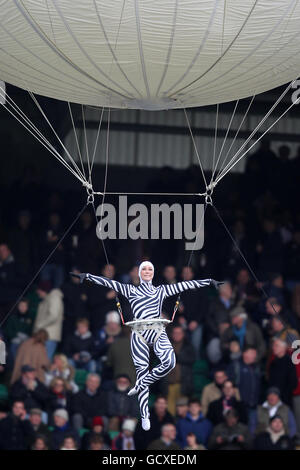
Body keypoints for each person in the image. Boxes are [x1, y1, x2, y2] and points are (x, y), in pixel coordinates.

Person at [70, 261, 222, 431]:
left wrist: (209, 281)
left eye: (150, 269)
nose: (147, 271)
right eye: (144, 269)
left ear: (154, 272)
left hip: (157, 330)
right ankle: (144, 414)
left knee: (170, 362)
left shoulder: (161, 290)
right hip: (139, 332)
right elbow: (108, 282)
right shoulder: (131, 290)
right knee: (141, 370)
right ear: (140, 273)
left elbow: (185, 285)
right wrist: (87, 276)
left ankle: (141, 384)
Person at [165, 325, 196, 416]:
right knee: (169, 412)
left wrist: (175, 357)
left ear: (183, 334)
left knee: (183, 413)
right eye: (175, 333)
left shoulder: (188, 346)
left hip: (183, 384)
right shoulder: (165, 345)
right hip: (169, 385)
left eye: (179, 333)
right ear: (171, 334)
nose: (177, 335)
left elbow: (191, 359)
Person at [33, 280, 64, 360]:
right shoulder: (48, 298)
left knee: (44, 361)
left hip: (49, 336)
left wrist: (39, 325)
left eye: (39, 290)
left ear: (43, 289)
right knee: (40, 360)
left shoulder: (54, 297)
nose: (37, 292)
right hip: (44, 336)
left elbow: (53, 316)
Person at [267, 338, 298, 406]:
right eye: (273, 345)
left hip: (285, 400)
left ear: (283, 348)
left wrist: (281, 396)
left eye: (276, 345)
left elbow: (293, 383)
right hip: (272, 399)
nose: (273, 348)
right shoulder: (273, 363)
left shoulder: (289, 362)